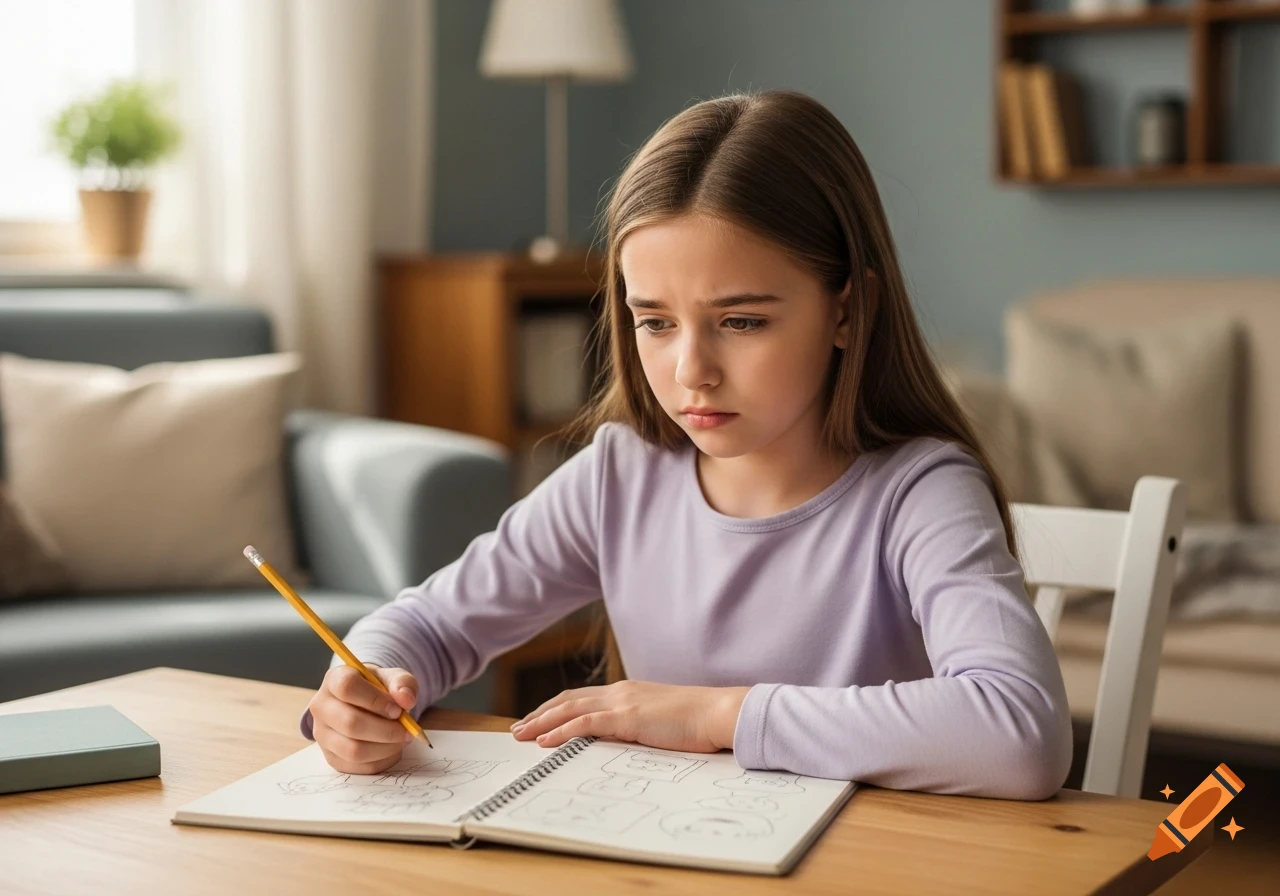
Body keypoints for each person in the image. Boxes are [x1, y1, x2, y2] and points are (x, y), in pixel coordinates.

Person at [302, 88, 1072, 800]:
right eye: (655, 321)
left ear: (849, 310)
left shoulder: (921, 491)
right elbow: (429, 625)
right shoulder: (622, 474)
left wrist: (714, 718)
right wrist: (360, 687)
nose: (690, 371)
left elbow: (1019, 731)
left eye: (741, 322)